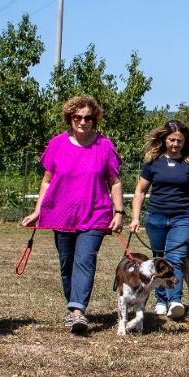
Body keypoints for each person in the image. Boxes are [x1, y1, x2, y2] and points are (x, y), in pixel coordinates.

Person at [21, 95, 124, 335]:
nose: (83, 122)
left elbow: (115, 182)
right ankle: (73, 307)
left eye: (88, 117)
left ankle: (78, 311)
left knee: (85, 260)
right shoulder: (57, 143)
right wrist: (38, 210)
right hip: (61, 215)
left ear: (94, 119)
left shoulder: (105, 146)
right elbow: (47, 181)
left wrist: (119, 212)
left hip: (95, 214)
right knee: (67, 264)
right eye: (77, 117)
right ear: (70, 118)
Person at [128, 119, 189, 320]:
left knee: (176, 259)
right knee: (158, 258)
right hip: (156, 218)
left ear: (185, 141)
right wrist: (135, 218)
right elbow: (140, 190)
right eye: (172, 140)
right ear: (164, 139)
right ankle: (160, 301)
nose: (175, 144)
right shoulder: (153, 161)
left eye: (180, 140)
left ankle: (175, 300)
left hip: (182, 217)